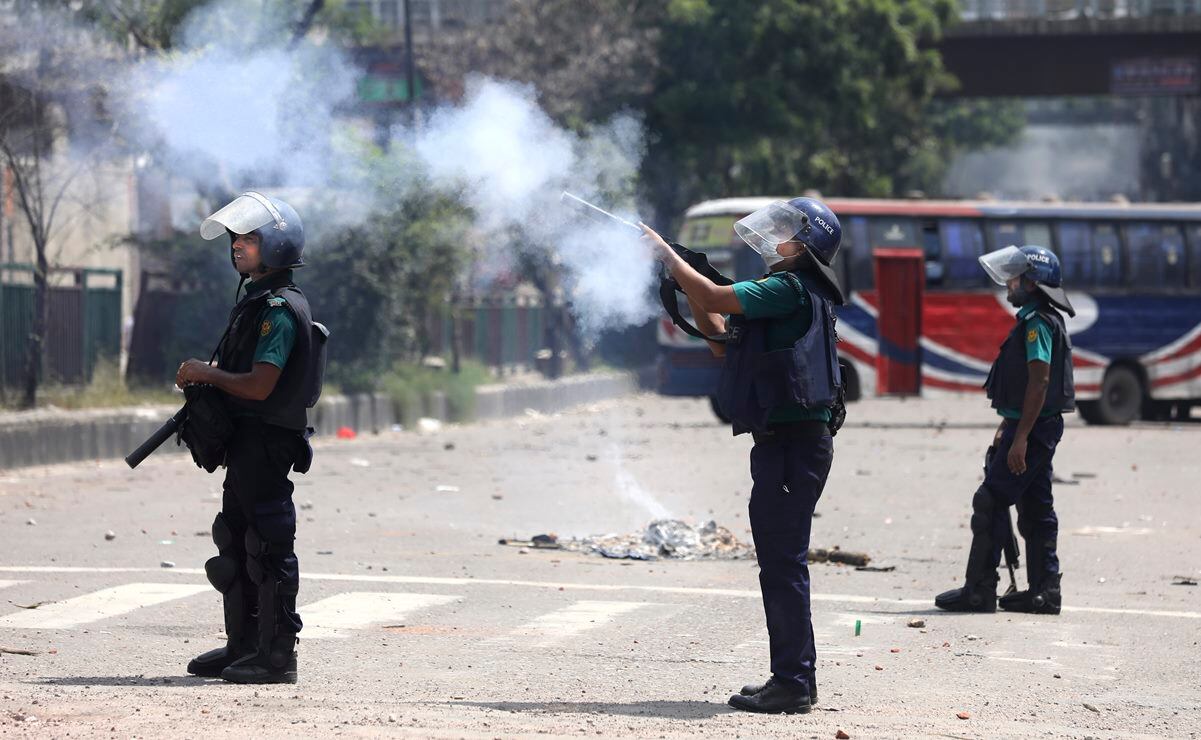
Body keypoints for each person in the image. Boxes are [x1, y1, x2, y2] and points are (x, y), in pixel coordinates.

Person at [641, 197, 846, 715]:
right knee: (779, 564)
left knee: (783, 565)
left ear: (806, 245)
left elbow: (712, 293)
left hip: (792, 447)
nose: (773, 234)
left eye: (787, 230)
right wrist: (687, 284)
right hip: (787, 445)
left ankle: (794, 683)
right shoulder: (791, 293)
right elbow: (717, 338)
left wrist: (670, 257)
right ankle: (791, 677)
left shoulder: (789, 287)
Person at [177, 191, 324, 684]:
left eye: (249, 238)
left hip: (266, 441)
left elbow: (261, 385)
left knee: (269, 547)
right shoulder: (258, 300)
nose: (238, 246)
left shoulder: (279, 309)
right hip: (246, 442)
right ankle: (243, 646)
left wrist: (206, 373)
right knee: (235, 543)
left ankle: (277, 656)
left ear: (277, 245)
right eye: (236, 238)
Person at [935, 245, 1075, 615]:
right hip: (1033, 426)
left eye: (1015, 278)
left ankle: (979, 590)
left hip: (1034, 430)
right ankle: (1044, 591)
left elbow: (1039, 382)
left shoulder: (1037, 325)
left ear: (1033, 282)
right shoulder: (1040, 318)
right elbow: (1026, 389)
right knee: (1036, 507)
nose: (1009, 284)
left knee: (990, 499)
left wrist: (1021, 438)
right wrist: (1008, 426)